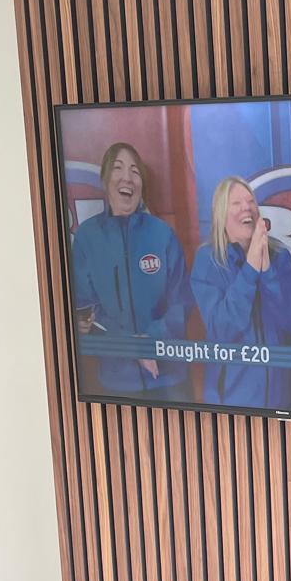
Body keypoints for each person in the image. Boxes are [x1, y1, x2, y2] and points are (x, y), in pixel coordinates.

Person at [71, 141, 193, 398]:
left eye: (134, 171)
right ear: (105, 180)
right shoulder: (87, 238)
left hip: (170, 379)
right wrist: (133, 349)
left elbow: (181, 304)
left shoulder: (163, 235)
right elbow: (86, 313)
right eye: (118, 168)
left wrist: (150, 343)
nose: (127, 177)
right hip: (118, 381)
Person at [191, 176, 291, 409]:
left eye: (250, 202)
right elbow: (222, 330)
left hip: (278, 401)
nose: (246, 207)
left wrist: (266, 272)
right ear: (221, 215)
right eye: (236, 203)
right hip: (230, 403)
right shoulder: (208, 260)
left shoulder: (279, 256)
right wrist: (250, 269)